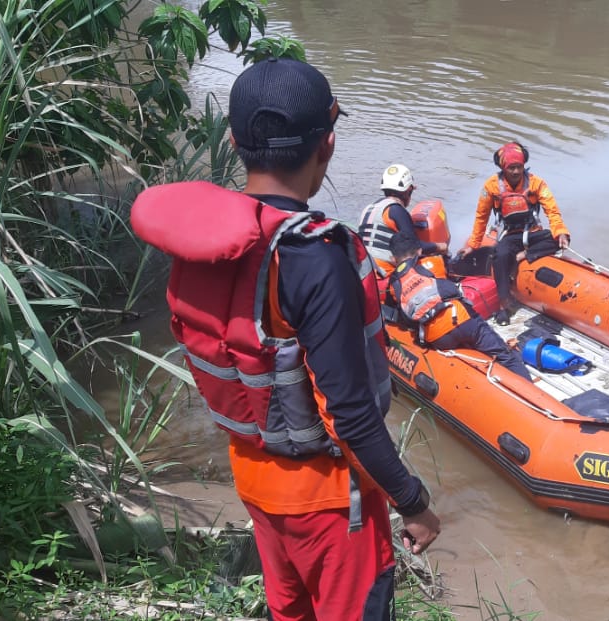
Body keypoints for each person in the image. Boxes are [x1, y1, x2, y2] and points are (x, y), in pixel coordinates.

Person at [130, 57, 440, 620]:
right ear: (328, 144)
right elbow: (350, 414)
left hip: (257, 485)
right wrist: (413, 502)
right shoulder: (316, 259)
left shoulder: (200, 245)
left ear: (234, 140)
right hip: (332, 508)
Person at [387, 233, 533, 380]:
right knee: (506, 357)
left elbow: (403, 318)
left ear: (393, 259)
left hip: (439, 338)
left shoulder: (393, 284)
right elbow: (453, 285)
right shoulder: (433, 261)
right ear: (419, 251)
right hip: (463, 322)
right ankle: (530, 390)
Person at [455, 141, 570, 326]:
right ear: (503, 168)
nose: (516, 172)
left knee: (558, 239)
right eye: (511, 168)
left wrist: (561, 233)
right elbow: (481, 217)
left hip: (533, 232)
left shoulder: (536, 183)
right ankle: (503, 303)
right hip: (510, 235)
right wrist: (473, 245)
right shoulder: (491, 187)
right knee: (500, 255)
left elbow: (552, 211)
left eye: (519, 167)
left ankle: (524, 256)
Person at [358, 163, 448, 277]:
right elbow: (414, 247)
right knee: (434, 264)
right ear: (408, 190)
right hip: (383, 273)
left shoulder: (369, 208)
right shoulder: (396, 210)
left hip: (362, 270)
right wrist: (441, 246)